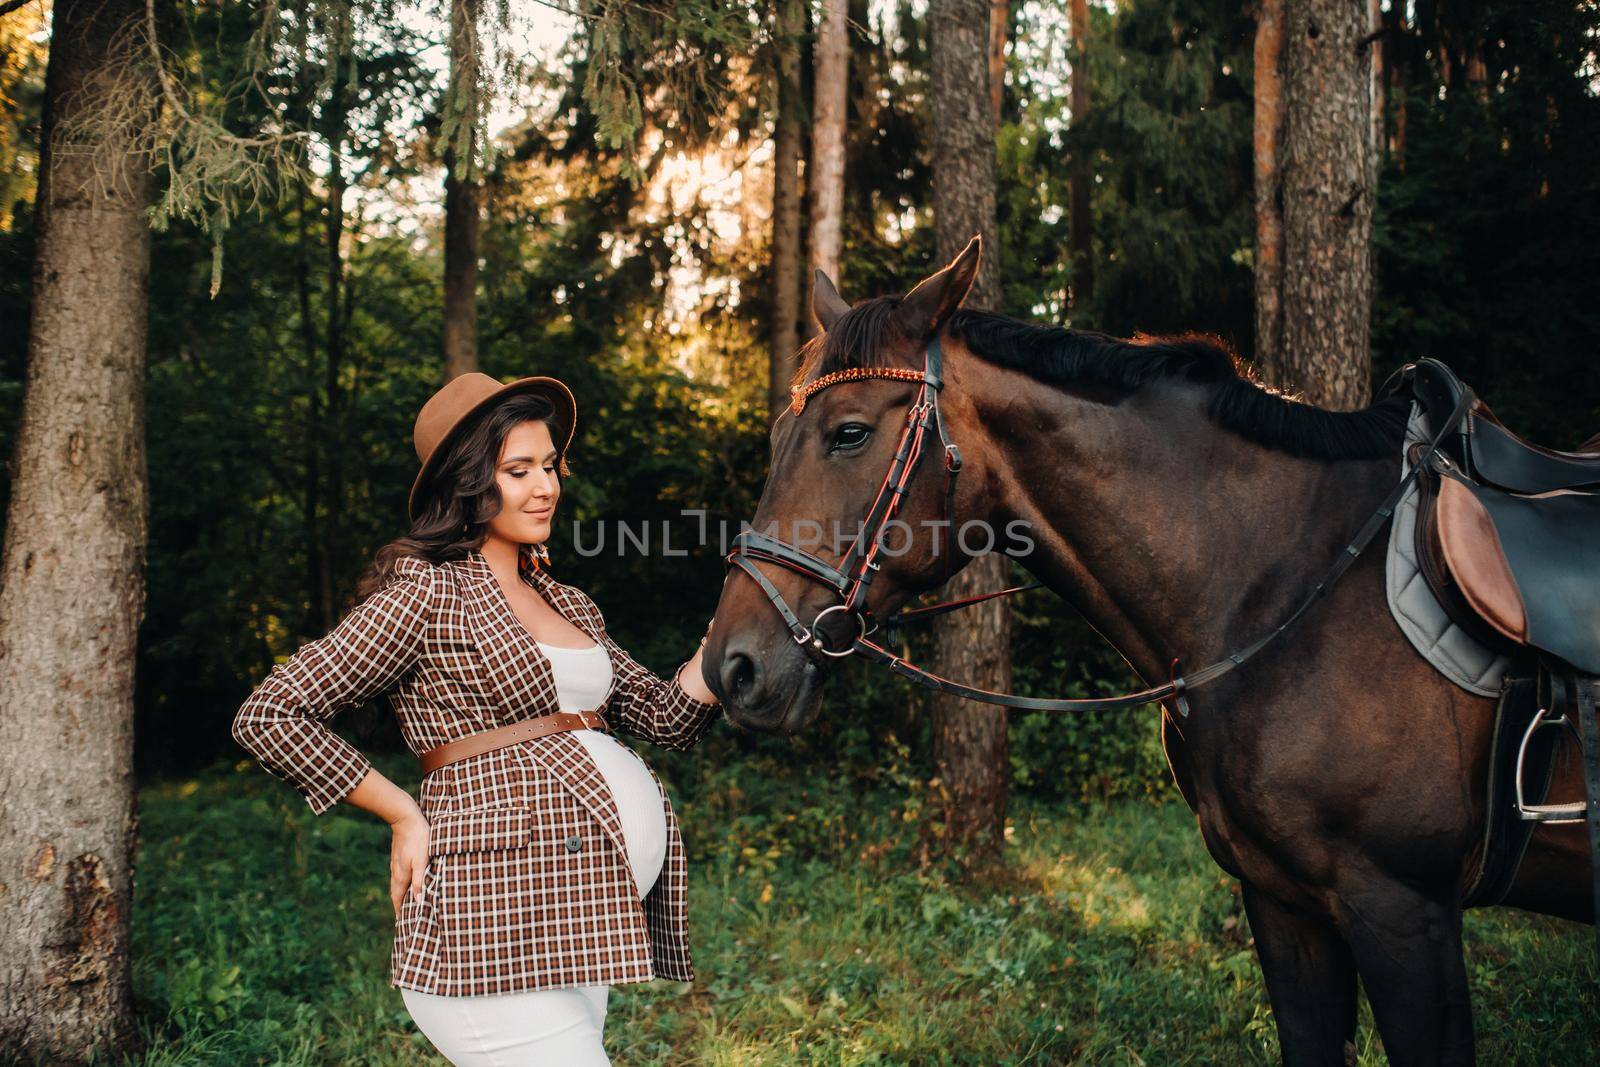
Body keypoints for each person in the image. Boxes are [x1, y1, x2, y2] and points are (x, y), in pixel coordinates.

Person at [231, 372, 722, 1065]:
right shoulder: (426, 593)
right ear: (467, 482)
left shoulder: (569, 603)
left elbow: (667, 716)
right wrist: (400, 809)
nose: (545, 486)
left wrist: (730, 636)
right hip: (486, 929)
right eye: (517, 470)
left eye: (549, 465)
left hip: (571, 923)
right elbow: (270, 713)